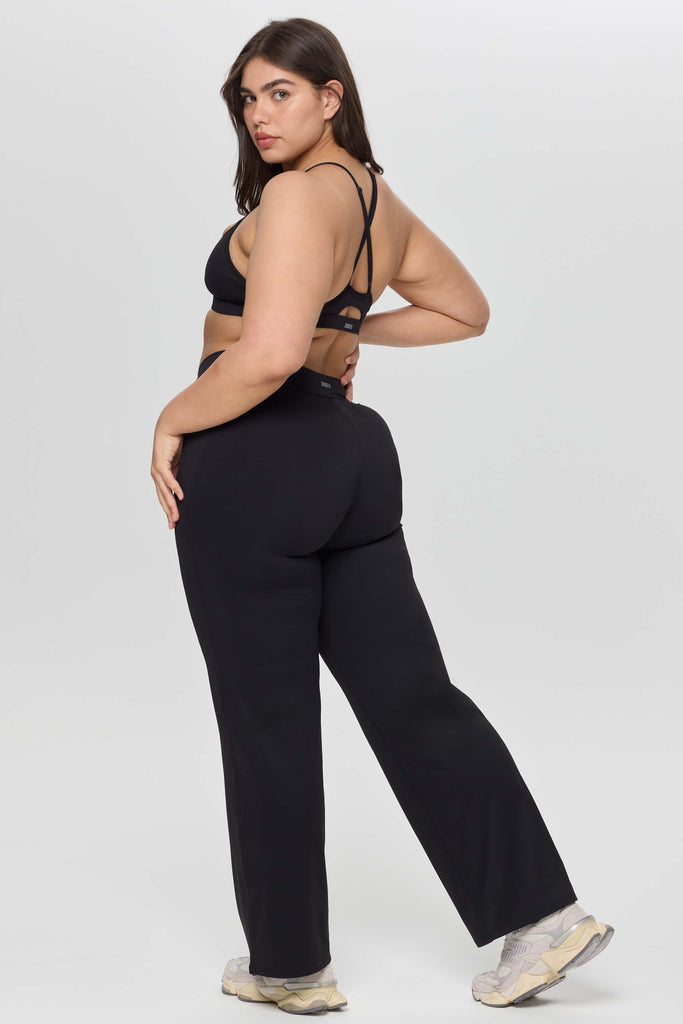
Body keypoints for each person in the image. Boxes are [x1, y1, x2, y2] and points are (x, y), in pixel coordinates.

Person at [150, 16, 613, 1015]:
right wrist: (349, 334)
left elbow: (268, 353)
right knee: (413, 697)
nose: (259, 113)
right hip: (350, 456)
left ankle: (289, 965)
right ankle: (542, 919)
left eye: (280, 91)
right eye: (247, 97)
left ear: (331, 96)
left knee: (266, 719)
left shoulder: (290, 196)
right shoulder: (372, 198)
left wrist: (172, 417)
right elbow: (461, 309)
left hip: (254, 461)